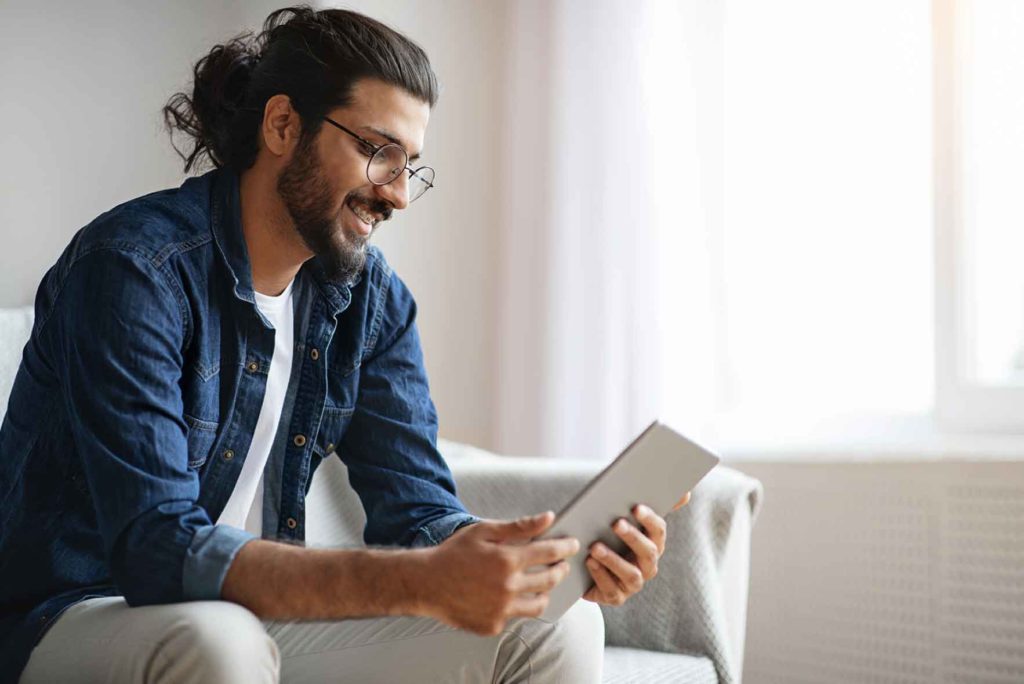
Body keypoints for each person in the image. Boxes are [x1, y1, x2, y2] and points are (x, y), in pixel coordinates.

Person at [0, 6, 689, 682]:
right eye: (375, 151)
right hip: (74, 614)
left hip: (248, 619)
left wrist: (527, 564)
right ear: (282, 125)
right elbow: (155, 549)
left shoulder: (370, 299)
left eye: (409, 164)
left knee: (555, 622)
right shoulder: (133, 270)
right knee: (218, 640)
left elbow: (416, 513)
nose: (397, 195)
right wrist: (418, 583)